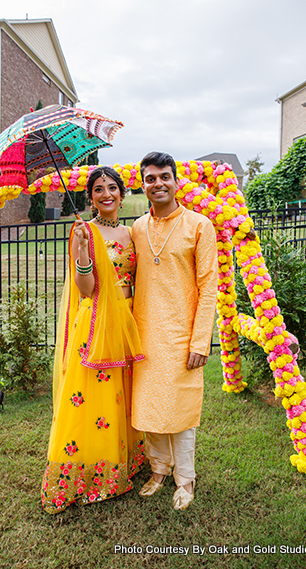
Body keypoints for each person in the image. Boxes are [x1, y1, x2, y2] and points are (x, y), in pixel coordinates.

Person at [41, 167, 146, 514]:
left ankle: (126, 461)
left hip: (127, 319)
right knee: (93, 397)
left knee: (123, 393)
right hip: (97, 320)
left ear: (122, 192)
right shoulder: (82, 232)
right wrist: (84, 254)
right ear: (90, 198)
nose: (106, 194)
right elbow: (84, 290)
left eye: (112, 187)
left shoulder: (133, 233)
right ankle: (90, 471)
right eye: (98, 189)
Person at [131, 152, 218, 510]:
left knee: (180, 411)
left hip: (183, 336)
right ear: (144, 184)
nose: (158, 184)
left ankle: (185, 479)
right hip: (144, 333)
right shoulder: (138, 227)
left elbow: (209, 286)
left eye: (164, 176)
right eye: (150, 178)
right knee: (150, 407)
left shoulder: (199, 225)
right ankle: (158, 471)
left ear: (176, 181)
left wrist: (201, 341)